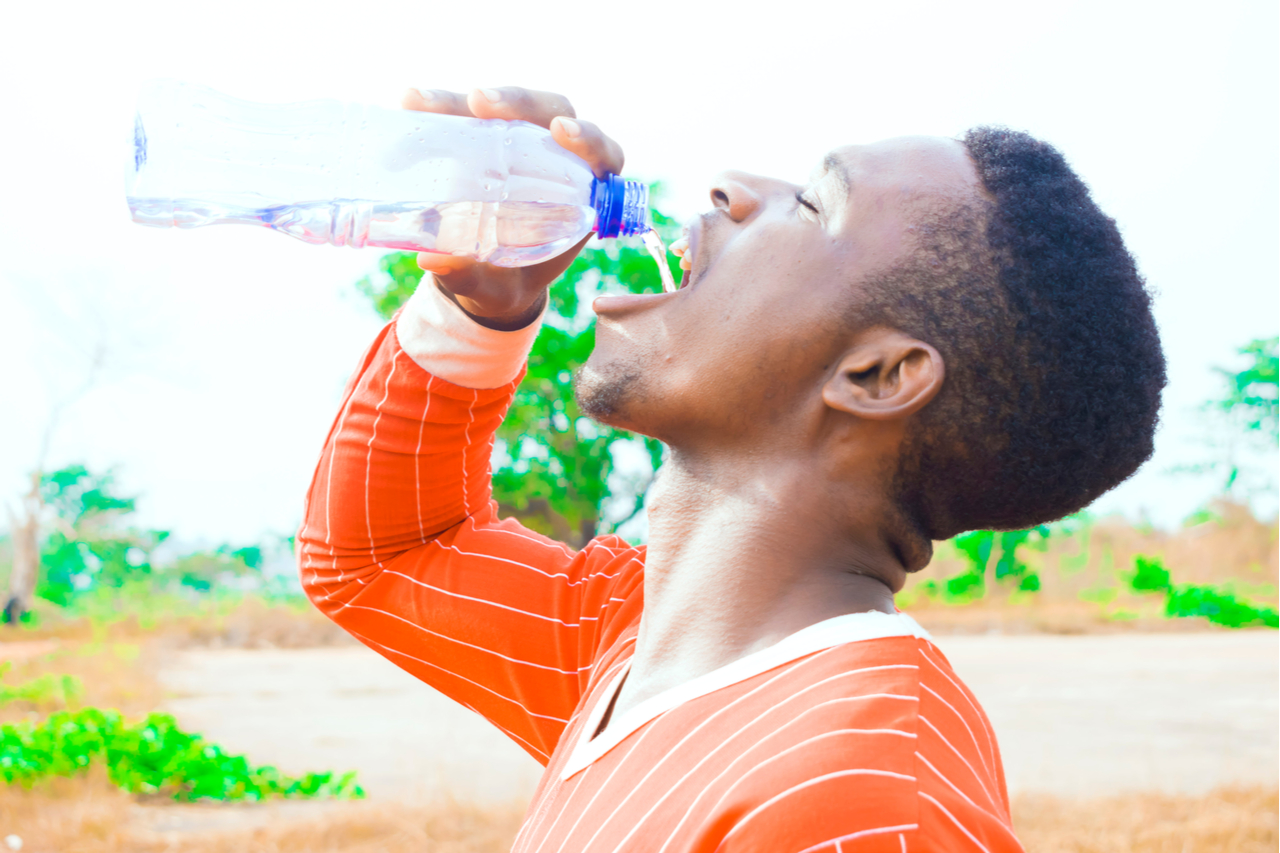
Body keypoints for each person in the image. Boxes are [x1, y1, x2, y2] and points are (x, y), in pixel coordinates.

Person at [299, 85, 1165, 852]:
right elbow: (384, 556)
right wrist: (479, 306)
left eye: (816, 205)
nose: (731, 188)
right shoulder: (640, 648)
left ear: (876, 376)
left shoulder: (860, 801)